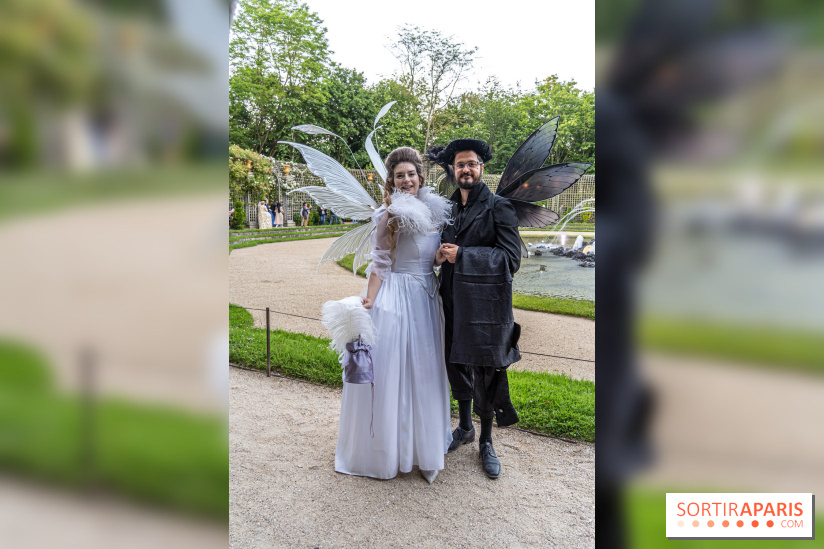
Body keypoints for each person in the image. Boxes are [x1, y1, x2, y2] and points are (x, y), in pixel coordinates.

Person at [335, 147, 453, 483]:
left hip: (427, 300)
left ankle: (424, 449)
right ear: (392, 180)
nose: (406, 180)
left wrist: (439, 260)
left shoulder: (432, 209)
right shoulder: (387, 214)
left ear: (420, 176)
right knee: (397, 372)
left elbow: (424, 257)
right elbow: (381, 263)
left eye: (411, 174)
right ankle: (390, 450)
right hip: (398, 300)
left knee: (426, 371)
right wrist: (369, 300)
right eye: (399, 175)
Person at [429, 138, 522, 480]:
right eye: (459, 165)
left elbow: (511, 260)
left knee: (486, 369)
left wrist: (464, 255)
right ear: (453, 170)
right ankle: (465, 427)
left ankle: (486, 440)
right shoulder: (447, 209)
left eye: (471, 163)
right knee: (455, 362)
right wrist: (439, 256)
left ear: (482, 168)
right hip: (452, 301)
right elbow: (436, 249)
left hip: (486, 307)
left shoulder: (500, 207)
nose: (465, 169)